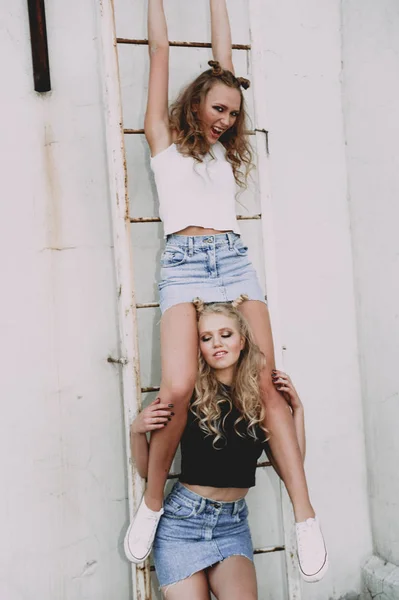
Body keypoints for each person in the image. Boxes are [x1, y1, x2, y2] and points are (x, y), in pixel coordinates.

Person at [124, 0, 327, 581]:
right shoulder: (162, 138)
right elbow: (161, 51)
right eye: (218, 109)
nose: (226, 121)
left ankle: (305, 517)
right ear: (195, 103)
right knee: (180, 386)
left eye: (234, 114)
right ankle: (153, 503)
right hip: (184, 264)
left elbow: (225, 57)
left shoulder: (220, 146)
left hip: (233, 259)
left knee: (265, 382)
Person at [126, 299, 328, 598]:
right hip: (183, 524)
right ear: (199, 348)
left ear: (242, 341)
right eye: (207, 338)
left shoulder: (262, 400)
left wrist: (296, 411)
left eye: (226, 334)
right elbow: (148, 470)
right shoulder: (191, 394)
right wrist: (135, 432)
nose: (217, 343)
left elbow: (293, 463)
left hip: (232, 525)